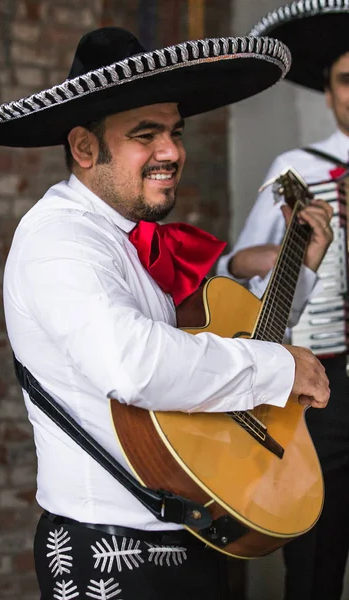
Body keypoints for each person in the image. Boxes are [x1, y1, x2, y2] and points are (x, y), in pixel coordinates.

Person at [0, 26, 333, 600]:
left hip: (188, 534)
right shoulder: (61, 240)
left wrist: (297, 270)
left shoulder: (133, 238)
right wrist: (280, 368)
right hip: (108, 553)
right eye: (145, 134)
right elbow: (135, 363)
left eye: (175, 132)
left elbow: (225, 341)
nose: (172, 152)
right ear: (84, 148)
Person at [217, 3, 349, 599]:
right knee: (319, 552)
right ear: (328, 93)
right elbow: (236, 266)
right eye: (348, 79)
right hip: (328, 379)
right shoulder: (299, 169)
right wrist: (297, 247)